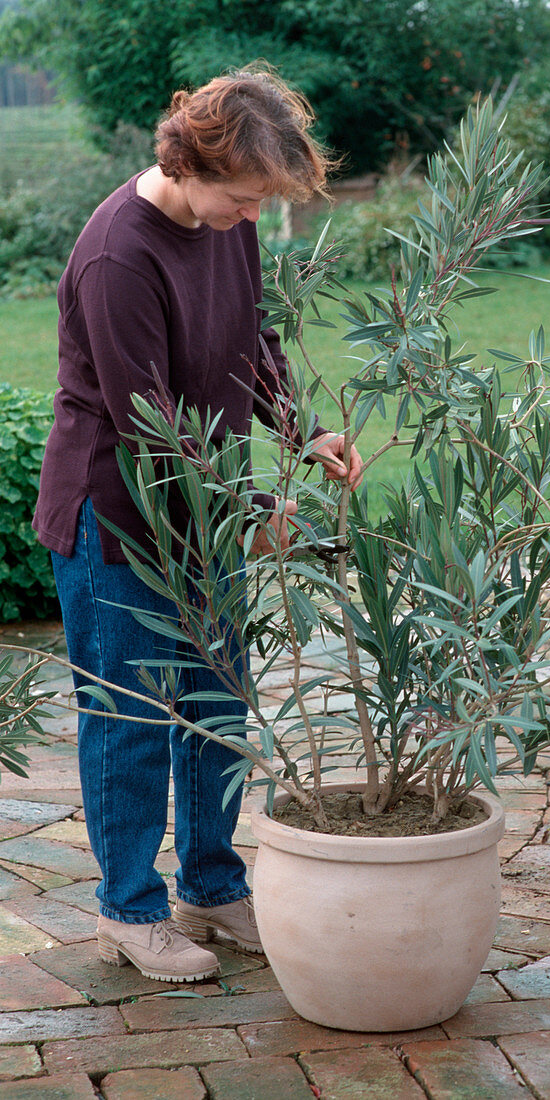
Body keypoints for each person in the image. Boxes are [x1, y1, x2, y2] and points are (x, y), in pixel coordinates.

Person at [32, 67, 363, 983]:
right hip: (118, 514)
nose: (251, 217)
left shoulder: (225, 227)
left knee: (217, 709)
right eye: (244, 197)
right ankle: (128, 912)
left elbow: (250, 342)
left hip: (201, 511)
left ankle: (211, 889)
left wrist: (304, 434)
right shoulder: (117, 257)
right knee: (131, 721)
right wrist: (250, 516)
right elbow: (152, 431)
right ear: (192, 163)